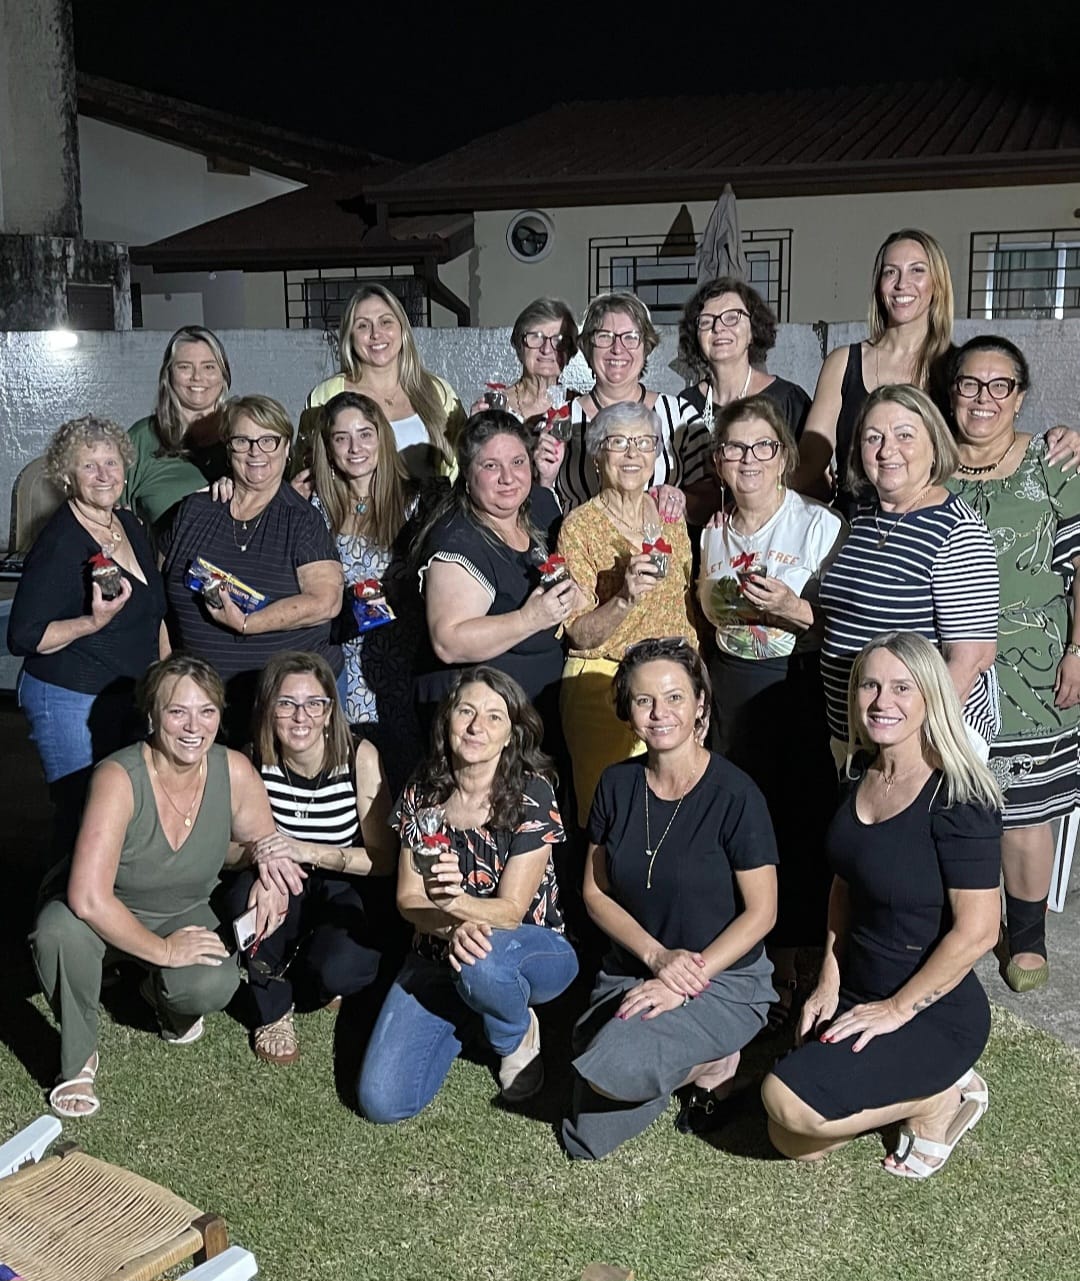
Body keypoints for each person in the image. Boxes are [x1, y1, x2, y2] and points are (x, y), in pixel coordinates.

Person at [762, 633, 1002, 1179]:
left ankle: (937, 1098)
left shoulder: (960, 796)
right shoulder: (856, 772)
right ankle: (901, 1087)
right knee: (794, 1139)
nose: (881, 702)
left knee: (785, 1101)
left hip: (932, 1010)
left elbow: (980, 932)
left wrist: (896, 1010)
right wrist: (828, 980)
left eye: (901, 688)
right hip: (859, 989)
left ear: (931, 698)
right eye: (869, 684)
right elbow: (845, 885)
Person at [30, 654, 299, 1118]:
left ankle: (161, 998)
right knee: (57, 933)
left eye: (207, 711)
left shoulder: (233, 769)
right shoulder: (118, 777)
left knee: (210, 983)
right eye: (177, 712)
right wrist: (164, 952)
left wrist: (269, 873)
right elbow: (88, 897)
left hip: (184, 906)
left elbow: (259, 843)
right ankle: (78, 1056)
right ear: (152, 715)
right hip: (106, 907)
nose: (194, 726)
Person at [562, 639, 777, 1159]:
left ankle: (717, 1060)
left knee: (607, 1071)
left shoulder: (736, 794)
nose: (660, 714)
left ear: (700, 702)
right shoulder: (615, 785)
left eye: (675, 698)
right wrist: (658, 959)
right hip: (638, 967)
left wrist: (685, 980)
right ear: (628, 711)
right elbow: (594, 891)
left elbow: (762, 912)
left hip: (722, 978)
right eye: (643, 701)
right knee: (588, 1128)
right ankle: (699, 1064)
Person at [357, 667, 577, 1121]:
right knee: (382, 1101)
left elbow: (513, 912)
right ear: (447, 721)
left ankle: (513, 1034)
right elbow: (408, 899)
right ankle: (474, 1007)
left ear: (511, 734)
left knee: (483, 961)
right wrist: (453, 927)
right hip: (438, 952)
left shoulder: (533, 792)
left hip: (531, 948)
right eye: (467, 712)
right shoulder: (423, 792)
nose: (478, 727)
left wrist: (457, 908)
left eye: (495, 717)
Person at [698, 395, 846, 1027]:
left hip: (800, 683)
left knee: (801, 821)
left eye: (763, 447)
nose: (748, 459)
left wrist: (796, 611)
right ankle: (757, 952)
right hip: (731, 688)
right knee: (745, 822)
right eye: (735, 448)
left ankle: (802, 960)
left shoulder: (818, 525)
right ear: (718, 460)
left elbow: (846, 621)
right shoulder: (711, 530)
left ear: (785, 457)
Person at [946, 336, 1080, 991]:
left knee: (1026, 808)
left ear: (1021, 396)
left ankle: (1025, 936)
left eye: (999, 385)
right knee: (952, 797)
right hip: (948, 663)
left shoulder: (1053, 459)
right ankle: (965, 920)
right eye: (970, 384)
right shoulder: (931, 460)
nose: (983, 398)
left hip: (1034, 662)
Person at [795, 229, 1080, 511]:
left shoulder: (958, 368)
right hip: (854, 530)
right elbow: (809, 463)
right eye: (890, 272)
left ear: (937, 284)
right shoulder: (843, 363)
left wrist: (1055, 439)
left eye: (917, 270)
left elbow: (994, 438)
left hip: (929, 533)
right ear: (879, 286)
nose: (902, 284)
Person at [223, 652, 400, 1064]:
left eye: (314, 704)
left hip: (344, 876)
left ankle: (313, 979)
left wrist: (307, 851)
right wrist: (261, 858)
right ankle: (273, 1010)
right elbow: (224, 852)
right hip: (278, 878)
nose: (300, 716)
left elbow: (384, 860)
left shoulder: (360, 756)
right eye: (286, 703)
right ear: (268, 708)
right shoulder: (251, 758)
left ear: (329, 711)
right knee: (242, 902)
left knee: (341, 968)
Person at [819, 384, 1000, 761]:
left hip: (922, 745)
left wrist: (916, 748)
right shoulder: (866, 517)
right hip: (858, 736)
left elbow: (970, 658)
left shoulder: (957, 530)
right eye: (873, 438)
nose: (887, 450)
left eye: (905, 435)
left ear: (934, 445)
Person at [9, 416, 166, 845]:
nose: (103, 476)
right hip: (69, 697)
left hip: (126, 695)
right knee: (82, 818)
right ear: (67, 476)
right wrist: (91, 622)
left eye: (111, 463)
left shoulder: (128, 525)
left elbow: (154, 612)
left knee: (119, 817)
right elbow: (23, 637)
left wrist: (166, 680)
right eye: (89, 466)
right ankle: (64, 908)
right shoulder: (62, 542)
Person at [160, 394, 343, 744]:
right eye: (243, 441)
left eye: (268, 440)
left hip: (280, 715)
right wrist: (165, 675)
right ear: (229, 448)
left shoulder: (300, 520)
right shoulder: (196, 510)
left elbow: (326, 602)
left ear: (286, 448)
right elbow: (158, 598)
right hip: (197, 710)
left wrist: (248, 624)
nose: (256, 452)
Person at [557, 401, 699, 825]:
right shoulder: (578, 527)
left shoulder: (672, 518)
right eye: (619, 443)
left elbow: (686, 606)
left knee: (675, 818)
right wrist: (623, 597)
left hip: (675, 690)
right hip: (606, 688)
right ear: (598, 455)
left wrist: (698, 690)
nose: (633, 454)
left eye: (644, 443)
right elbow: (578, 634)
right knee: (614, 821)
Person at [414, 410, 584, 744]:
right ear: (467, 472)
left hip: (540, 710)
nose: (508, 477)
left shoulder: (540, 504)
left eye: (517, 462)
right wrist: (528, 619)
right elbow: (448, 642)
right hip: (480, 725)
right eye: (491, 466)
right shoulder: (458, 538)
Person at [310, 390, 437, 778]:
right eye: (341, 438)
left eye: (365, 434)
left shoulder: (417, 503)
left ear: (382, 437)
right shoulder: (313, 509)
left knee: (408, 775)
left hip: (406, 666)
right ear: (328, 448)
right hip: (341, 667)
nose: (355, 448)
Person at [553, 291, 711, 519]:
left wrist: (679, 500)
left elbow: (712, 495)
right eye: (604, 336)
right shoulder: (561, 419)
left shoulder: (680, 415)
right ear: (588, 345)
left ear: (646, 346)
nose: (618, 348)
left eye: (630, 337)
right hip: (579, 551)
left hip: (658, 551)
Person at [296, 284, 464, 481]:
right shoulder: (326, 395)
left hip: (432, 511)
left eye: (386, 322)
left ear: (402, 329)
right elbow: (306, 469)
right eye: (363, 325)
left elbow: (466, 463)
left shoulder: (437, 391)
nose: (376, 334)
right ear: (349, 336)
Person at [123, 326, 232, 540]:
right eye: (184, 367)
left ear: (224, 376)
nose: (197, 377)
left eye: (209, 367)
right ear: (168, 375)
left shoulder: (244, 434)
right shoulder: (142, 438)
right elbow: (102, 509)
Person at [678, 277, 812, 441]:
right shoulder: (684, 404)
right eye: (706, 321)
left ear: (753, 330)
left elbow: (815, 465)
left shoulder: (788, 401)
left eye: (732, 318)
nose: (718, 328)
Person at [476, 296, 580, 495]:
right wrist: (475, 433)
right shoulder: (495, 406)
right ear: (519, 346)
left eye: (558, 340)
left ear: (569, 351)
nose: (547, 349)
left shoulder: (581, 407)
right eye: (536, 337)